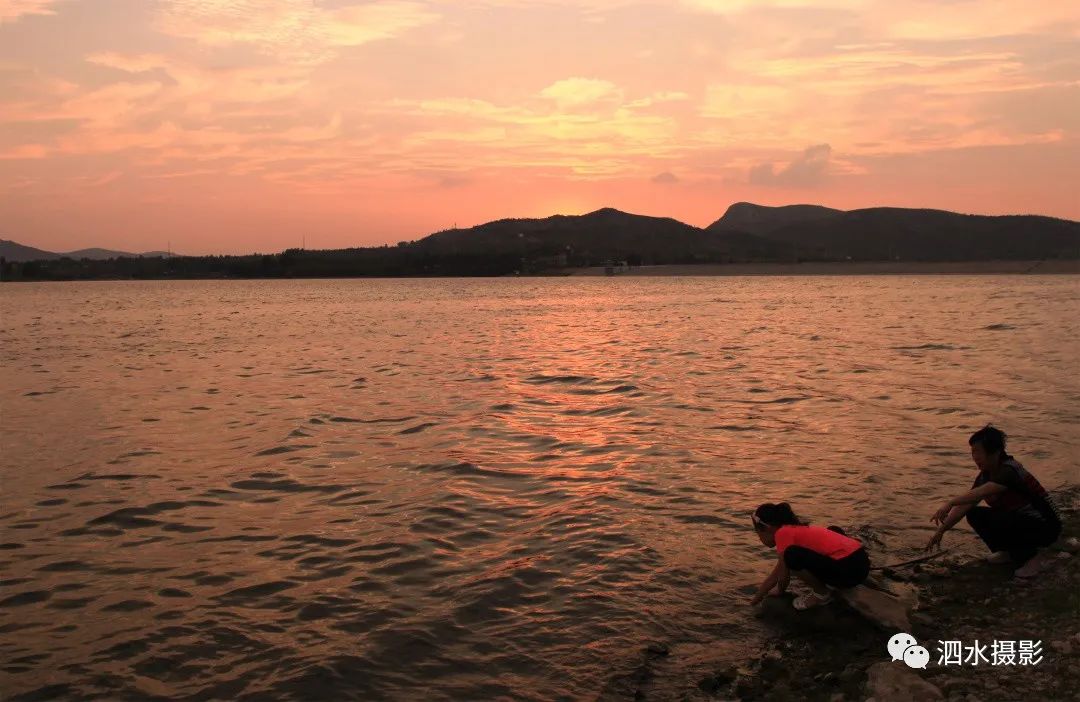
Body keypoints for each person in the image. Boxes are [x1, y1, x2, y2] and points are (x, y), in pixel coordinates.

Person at [926, 425, 1061, 578]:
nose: (975, 457)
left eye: (978, 451)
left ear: (996, 452)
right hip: (1022, 522)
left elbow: (984, 490)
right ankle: (1009, 553)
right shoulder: (985, 475)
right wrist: (940, 532)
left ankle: (1033, 559)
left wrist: (950, 502)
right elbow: (966, 504)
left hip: (1046, 526)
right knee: (974, 514)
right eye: (972, 452)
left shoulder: (1010, 470)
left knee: (1003, 519)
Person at [750, 502, 870, 610]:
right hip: (860, 563)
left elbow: (783, 576)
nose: (760, 539)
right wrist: (755, 600)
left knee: (792, 555)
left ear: (767, 528)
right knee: (831, 531)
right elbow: (776, 574)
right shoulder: (794, 531)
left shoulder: (782, 533)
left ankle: (821, 594)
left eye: (758, 534)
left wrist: (779, 590)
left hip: (851, 570)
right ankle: (828, 586)